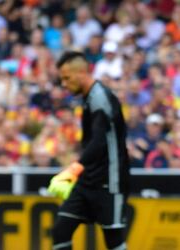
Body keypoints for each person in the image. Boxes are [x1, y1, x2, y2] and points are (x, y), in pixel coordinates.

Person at [48, 51, 130, 250]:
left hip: (110, 181)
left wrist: (74, 168)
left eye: (67, 78)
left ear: (82, 72)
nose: (64, 84)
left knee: (113, 238)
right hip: (88, 179)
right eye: (61, 79)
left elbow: (99, 141)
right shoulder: (89, 98)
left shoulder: (100, 98)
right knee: (61, 230)